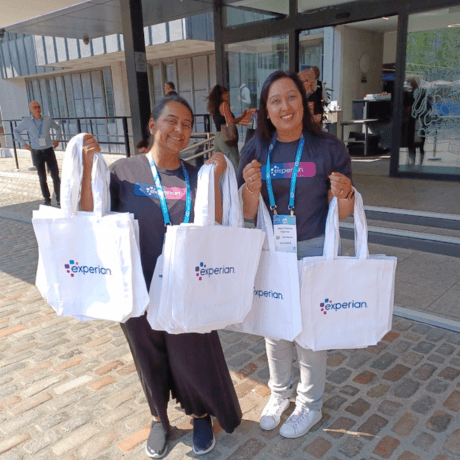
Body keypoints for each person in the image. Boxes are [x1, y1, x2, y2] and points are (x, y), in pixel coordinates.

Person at [81, 95, 242, 458]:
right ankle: (159, 419)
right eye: (171, 121)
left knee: (191, 355)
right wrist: (89, 163)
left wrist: (214, 177)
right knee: (147, 354)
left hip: (186, 288)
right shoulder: (124, 171)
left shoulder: (194, 174)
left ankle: (200, 413)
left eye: (186, 124)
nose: (180, 130)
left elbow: (213, 223)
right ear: (152, 126)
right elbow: (90, 211)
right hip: (136, 285)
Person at [238, 70, 354, 439]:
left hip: (313, 248)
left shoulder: (329, 148)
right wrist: (251, 188)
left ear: (303, 104)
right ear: (265, 110)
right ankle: (279, 393)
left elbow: (345, 213)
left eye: (291, 98)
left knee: (308, 330)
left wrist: (345, 193)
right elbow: (247, 211)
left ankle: (310, 404)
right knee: (276, 328)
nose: (284, 106)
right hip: (272, 249)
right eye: (275, 100)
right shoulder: (256, 148)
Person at [13, 101, 62, 206]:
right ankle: (47, 199)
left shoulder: (47, 119)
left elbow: (58, 128)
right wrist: (24, 144)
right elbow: (16, 131)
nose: (37, 109)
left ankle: (59, 198)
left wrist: (57, 139)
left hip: (49, 150)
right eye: (34, 107)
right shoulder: (26, 121)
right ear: (30, 109)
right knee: (42, 176)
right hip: (36, 152)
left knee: (55, 175)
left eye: (39, 107)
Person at [207, 84, 250, 171]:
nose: (228, 96)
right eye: (227, 94)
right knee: (235, 163)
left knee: (221, 165)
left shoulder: (214, 107)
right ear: (222, 95)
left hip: (218, 137)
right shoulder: (224, 105)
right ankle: (238, 184)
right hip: (226, 137)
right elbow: (231, 122)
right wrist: (243, 116)